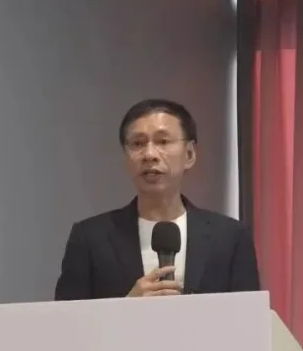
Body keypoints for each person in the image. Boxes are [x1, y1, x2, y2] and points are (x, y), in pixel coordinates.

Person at [53, 98, 260, 300]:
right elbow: (66, 320)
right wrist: (125, 308)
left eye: (163, 141)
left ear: (189, 154)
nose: (149, 154)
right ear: (125, 158)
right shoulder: (90, 239)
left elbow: (249, 317)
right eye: (138, 144)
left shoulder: (230, 238)